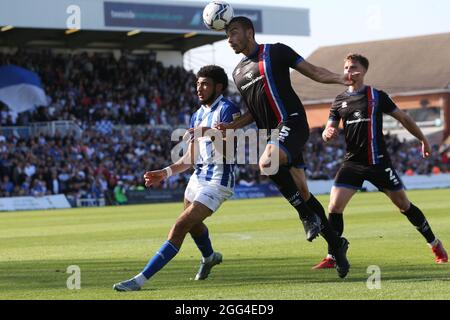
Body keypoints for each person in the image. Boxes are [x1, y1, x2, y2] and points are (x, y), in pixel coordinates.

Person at [219, 16, 357, 278]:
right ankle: (337, 246)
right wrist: (233, 127)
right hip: (272, 135)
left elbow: (314, 71)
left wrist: (342, 79)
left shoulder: (276, 52)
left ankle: (306, 217)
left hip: (292, 122)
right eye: (227, 35)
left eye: (234, 32)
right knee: (303, 192)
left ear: (250, 32)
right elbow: (252, 111)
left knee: (266, 163)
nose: (229, 39)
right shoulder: (237, 73)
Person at [313, 53, 448, 269]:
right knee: (334, 206)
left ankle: (434, 243)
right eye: (346, 68)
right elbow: (329, 127)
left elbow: (403, 118)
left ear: (364, 71)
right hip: (352, 163)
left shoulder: (377, 96)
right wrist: (327, 133)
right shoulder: (339, 100)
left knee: (403, 205)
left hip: (378, 162)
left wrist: (423, 139)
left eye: (353, 67)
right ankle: (333, 256)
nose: (349, 71)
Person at [113, 65, 241, 291]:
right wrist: (165, 172)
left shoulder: (228, 110)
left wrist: (207, 133)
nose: (199, 89)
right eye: (197, 84)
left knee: (181, 225)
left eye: (205, 84)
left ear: (218, 87)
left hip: (218, 180)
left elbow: (231, 151)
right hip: (198, 177)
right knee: (193, 225)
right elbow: (189, 160)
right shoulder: (197, 115)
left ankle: (139, 280)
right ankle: (209, 257)